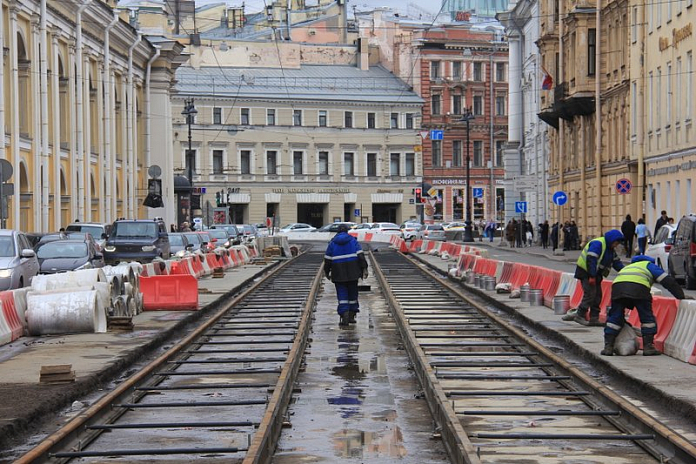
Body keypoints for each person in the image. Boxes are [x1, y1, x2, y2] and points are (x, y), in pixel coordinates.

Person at [601, 255, 686, 356]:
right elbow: (667, 281)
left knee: (615, 317)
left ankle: (608, 347)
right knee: (646, 317)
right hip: (639, 289)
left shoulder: (628, 267)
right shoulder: (648, 265)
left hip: (617, 288)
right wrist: (681, 296)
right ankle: (648, 347)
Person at [563, 229, 625, 326]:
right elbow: (591, 260)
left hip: (596, 274)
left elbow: (616, 263)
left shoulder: (610, 249)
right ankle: (580, 315)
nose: (616, 245)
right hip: (586, 272)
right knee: (590, 294)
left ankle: (594, 318)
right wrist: (591, 276)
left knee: (597, 295)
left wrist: (627, 272)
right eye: (616, 243)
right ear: (612, 240)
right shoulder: (598, 244)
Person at [324, 223, 368, 326]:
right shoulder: (353, 241)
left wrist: (327, 272)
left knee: (342, 293)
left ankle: (344, 313)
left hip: (338, 272)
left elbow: (327, 260)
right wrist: (364, 268)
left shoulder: (332, 243)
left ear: (338, 232)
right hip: (353, 271)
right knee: (353, 292)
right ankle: (352, 314)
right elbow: (361, 256)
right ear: (347, 231)